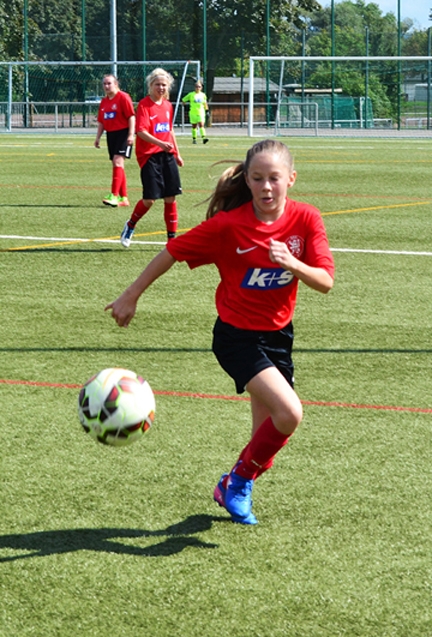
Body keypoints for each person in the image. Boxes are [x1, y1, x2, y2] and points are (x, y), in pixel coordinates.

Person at [106, 139, 335, 525]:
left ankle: (232, 482)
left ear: (291, 179)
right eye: (257, 178)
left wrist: (292, 263)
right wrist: (131, 295)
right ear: (246, 180)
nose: (266, 187)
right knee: (289, 413)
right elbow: (172, 252)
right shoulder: (229, 226)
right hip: (236, 337)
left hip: (279, 337)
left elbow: (325, 281)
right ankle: (238, 482)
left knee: (265, 445)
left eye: (274, 178)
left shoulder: (307, 219)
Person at [120, 68, 184, 248]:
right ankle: (130, 225)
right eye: (157, 84)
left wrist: (177, 153)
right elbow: (141, 132)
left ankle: (171, 241)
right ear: (150, 85)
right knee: (150, 199)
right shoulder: (144, 105)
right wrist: (161, 144)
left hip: (167, 155)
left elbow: (170, 130)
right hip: (149, 157)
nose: (161, 88)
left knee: (170, 197)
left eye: (164, 85)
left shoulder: (168, 105)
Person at [94, 74, 135, 207]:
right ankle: (124, 198)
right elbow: (101, 121)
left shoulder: (123, 97)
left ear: (116, 84)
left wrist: (131, 135)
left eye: (109, 83)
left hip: (123, 133)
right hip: (111, 135)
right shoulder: (104, 101)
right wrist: (98, 137)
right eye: (104, 84)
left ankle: (114, 195)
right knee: (118, 165)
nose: (106, 86)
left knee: (118, 162)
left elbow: (131, 116)